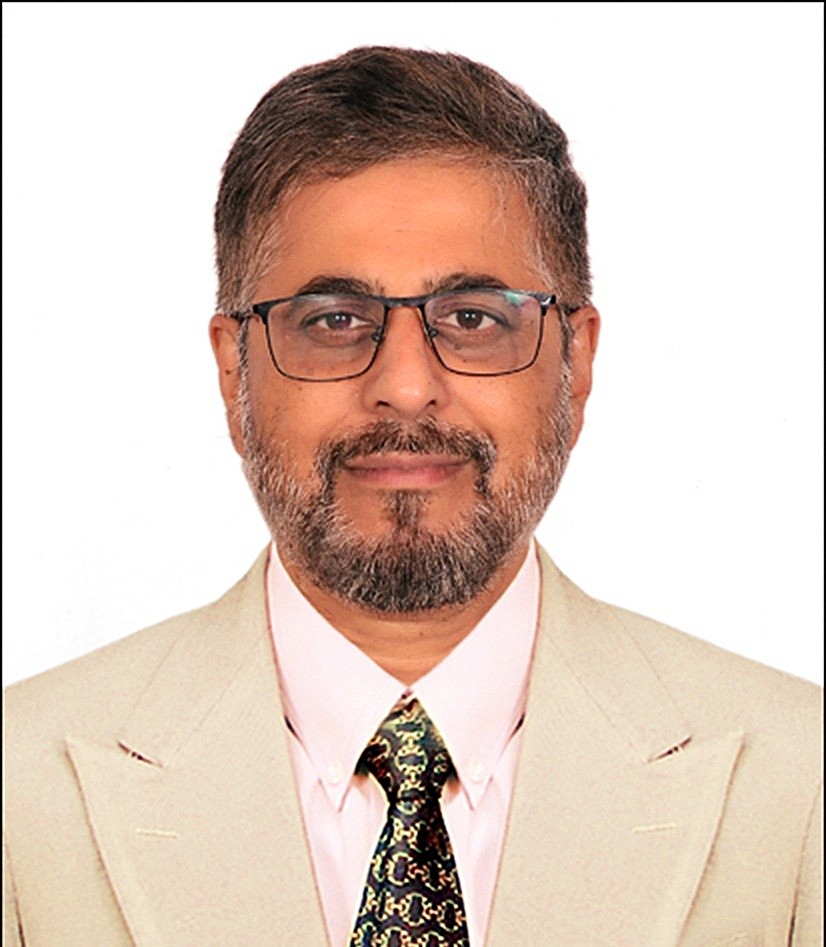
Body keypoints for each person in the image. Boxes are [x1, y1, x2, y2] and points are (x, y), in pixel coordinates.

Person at [3, 45, 821, 947]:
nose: (403, 386)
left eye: (473, 318)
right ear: (234, 371)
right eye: (334, 319)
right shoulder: (20, 789)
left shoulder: (799, 784)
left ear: (577, 362)